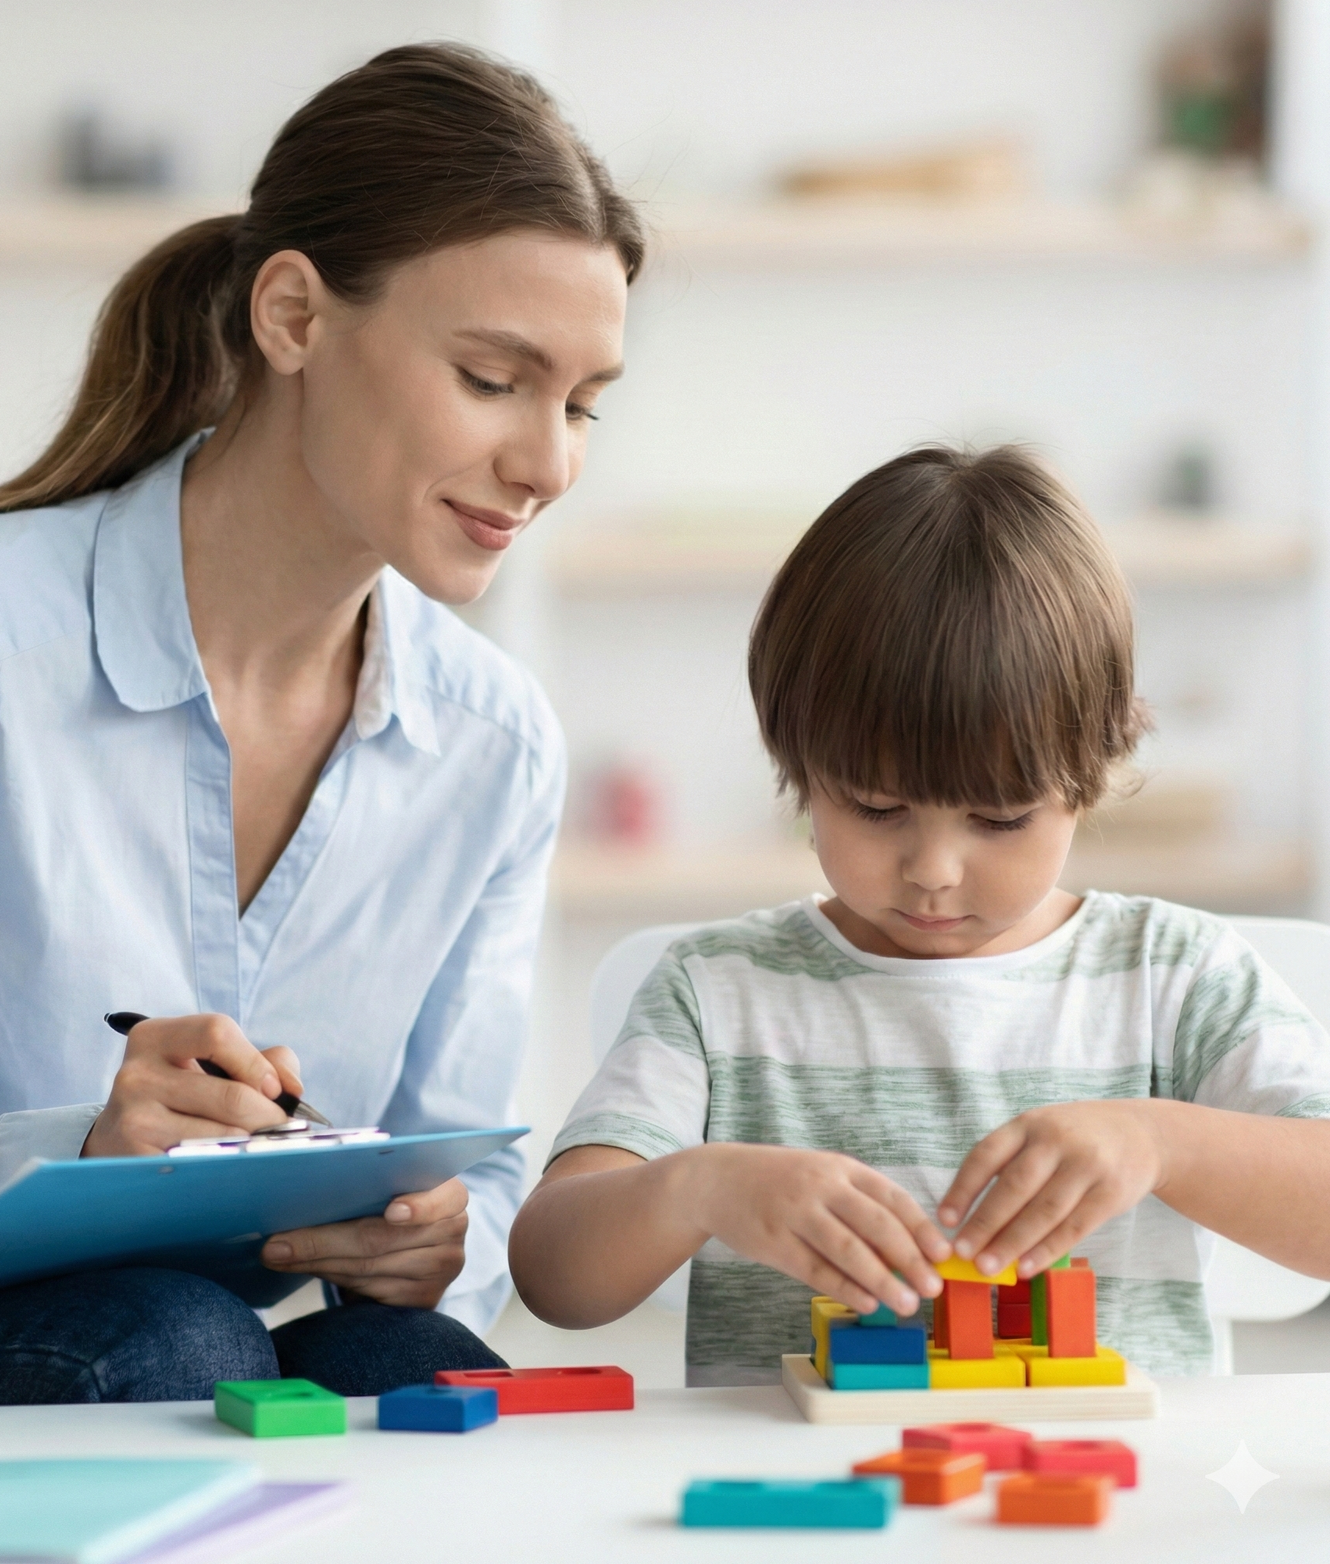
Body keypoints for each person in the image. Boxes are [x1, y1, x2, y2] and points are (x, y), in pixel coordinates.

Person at [0, 42, 642, 1496]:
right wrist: (72, 1147)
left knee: (421, 1376)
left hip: (168, 1346)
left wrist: (430, 1242)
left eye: (584, 402)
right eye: (492, 378)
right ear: (292, 315)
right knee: (179, 1351)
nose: (548, 461)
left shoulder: (492, 740)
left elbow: (464, 1174)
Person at [510, 444, 1330, 1386]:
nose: (934, 870)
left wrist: (1163, 1142)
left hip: (1094, 1514)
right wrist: (696, 1188)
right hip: (801, 1511)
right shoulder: (719, 993)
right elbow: (551, 1279)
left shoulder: (1177, 976)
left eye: (1000, 818)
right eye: (876, 807)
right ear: (798, 764)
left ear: (1089, 777)